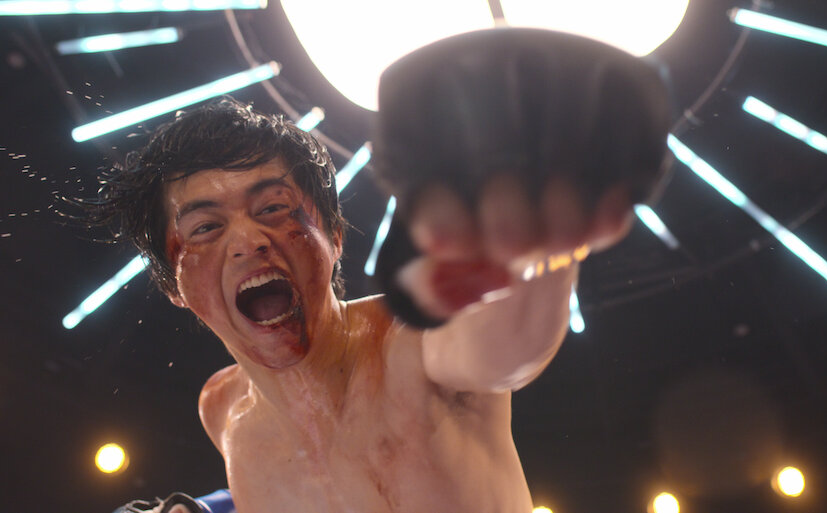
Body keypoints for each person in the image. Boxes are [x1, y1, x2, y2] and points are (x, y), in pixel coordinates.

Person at [87, 86, 642, 512]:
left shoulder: (415, 339)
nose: (249, 241)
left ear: (334, 237)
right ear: (172, 285)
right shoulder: (223, 411)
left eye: (274, 208)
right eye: (206, 227)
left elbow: (511, 345)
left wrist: (546, 223)